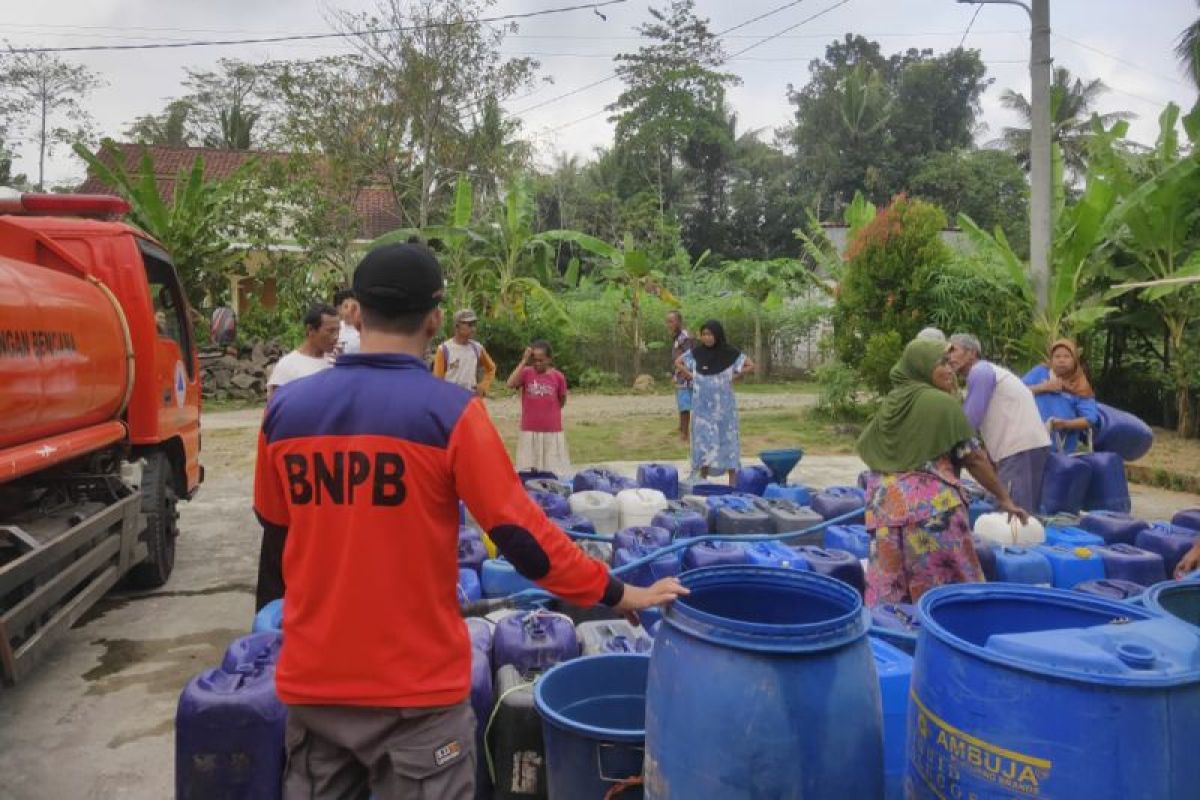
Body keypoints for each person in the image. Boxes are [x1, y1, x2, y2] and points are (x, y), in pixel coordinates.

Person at [253, 243, 685, 799]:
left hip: (314, 688)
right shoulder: (451, 415)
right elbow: (524, 542)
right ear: (435, 317)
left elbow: (275, 521)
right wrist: (616, 590)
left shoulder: (287, 410)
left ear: (355, 311)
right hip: (418, 697)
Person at [857, 339, 1029, 605]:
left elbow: (868, 443)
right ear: (922, 366)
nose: (950, 370)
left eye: (950, 363)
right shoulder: (941, 404)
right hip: (932, 513)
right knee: (946, 595)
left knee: (892, 598)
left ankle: (894, 643)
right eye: (941, 363)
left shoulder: (894, 401)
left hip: (884, 512)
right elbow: (973, 458)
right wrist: (1004, 498)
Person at [946, 333, 1052, 512]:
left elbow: (969, 423)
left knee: (1011, 512)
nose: (949, 356)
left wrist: (950, 448)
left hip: (1017, 447)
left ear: (971, 353)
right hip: (1029, 445)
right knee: (1024, 510)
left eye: (953, 350)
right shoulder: (990, 372)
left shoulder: (980, 371)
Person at [674, 320, 754, 484]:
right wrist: (691, 375)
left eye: (710, 334)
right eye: (704, 334)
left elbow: (750, 365)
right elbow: (678, 362)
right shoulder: (696, 353)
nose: (707, 338)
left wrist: (736, 375)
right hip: (702, 406)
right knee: (703, 440)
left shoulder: (730, 352)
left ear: (717, 335)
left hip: (725, 407)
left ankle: (733, 480)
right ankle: (702, 478)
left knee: (727, 439)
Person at [1022, 339, 1100, 453]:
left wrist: (1065, 424)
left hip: (1060, 448)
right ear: (1051, 359)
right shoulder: (1040, 372)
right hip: (1028, 442)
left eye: (1066, 356)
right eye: (1057, 356)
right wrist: (1044, 387)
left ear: (1074, 360)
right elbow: (1017, 392)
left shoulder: (1080, 385)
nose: (1061, 360)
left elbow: (1090, 419)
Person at [506, 339, 570, 475]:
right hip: (529, 431)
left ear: (549, 359)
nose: (537, 363)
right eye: (534, 360)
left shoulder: (558, 377)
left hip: (552, 431)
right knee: (529, 472)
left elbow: (562, 400)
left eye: (541, 360)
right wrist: (524, 361)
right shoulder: (526, 373)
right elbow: (510, 384)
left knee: (552, 471)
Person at [267, 304, 339, 401]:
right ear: (310, 330)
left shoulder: (336, 363)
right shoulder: (287, 366)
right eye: (330, 331)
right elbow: (274, 408)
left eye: (338, 331)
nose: (336, 336)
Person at [432, 309, 497, 397]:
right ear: (457, 326)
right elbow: (437, 381)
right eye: (469, 325)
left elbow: (491, 368)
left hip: (470, 400)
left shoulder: (477, 348)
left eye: (474, 325)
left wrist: (483, 387)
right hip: (450, 400)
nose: (473, 329)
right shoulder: (444, 349)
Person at [667, 311, 694, 442]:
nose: (669, 324)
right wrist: (675, 374)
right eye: (668, 321)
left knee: (685, 405)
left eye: (671, 321)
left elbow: (690, 355)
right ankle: (681, 429)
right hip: (680, 375)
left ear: (679, 322)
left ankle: (685, 435)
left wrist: (686, 373)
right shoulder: (678, 337)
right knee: (682, 403)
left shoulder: (685, 337)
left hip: (686, 376)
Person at [333, 288, 361, 357]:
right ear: (339, 308)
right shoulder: (335, 327)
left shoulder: (364, 328)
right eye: (346, 306)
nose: (350, 310)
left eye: (354, 307)